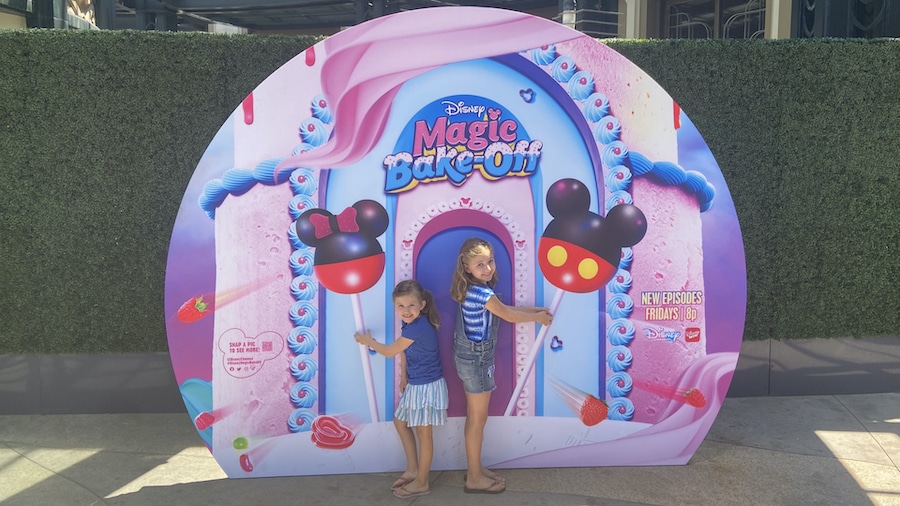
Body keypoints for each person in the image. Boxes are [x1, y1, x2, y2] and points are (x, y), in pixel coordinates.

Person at [450, 237, 553, 494]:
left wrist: (534, 310)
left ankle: (476, 467)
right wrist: (537, 318)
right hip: (477, 360)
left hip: (472, 358)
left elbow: (503, 309)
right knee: (477, 420)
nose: (487, 268)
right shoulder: (482, 292)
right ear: (467, 267)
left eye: (490, 262)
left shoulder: (474, 290)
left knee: (477, 418)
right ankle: (474, 476)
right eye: (480, 264)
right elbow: (507, 315)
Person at [354, 279, 447, 499]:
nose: (406, 311)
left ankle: (422, 482)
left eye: (411, 305)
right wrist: (403, 375)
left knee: (425, 434)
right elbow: (405, 350)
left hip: (427, 387)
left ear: (422, 305)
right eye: (401, 307)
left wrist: (368, 341)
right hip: (415, 384)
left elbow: (389, 351)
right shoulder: (410, 325)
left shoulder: (419, 326)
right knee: (400, 422)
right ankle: (413, 469)